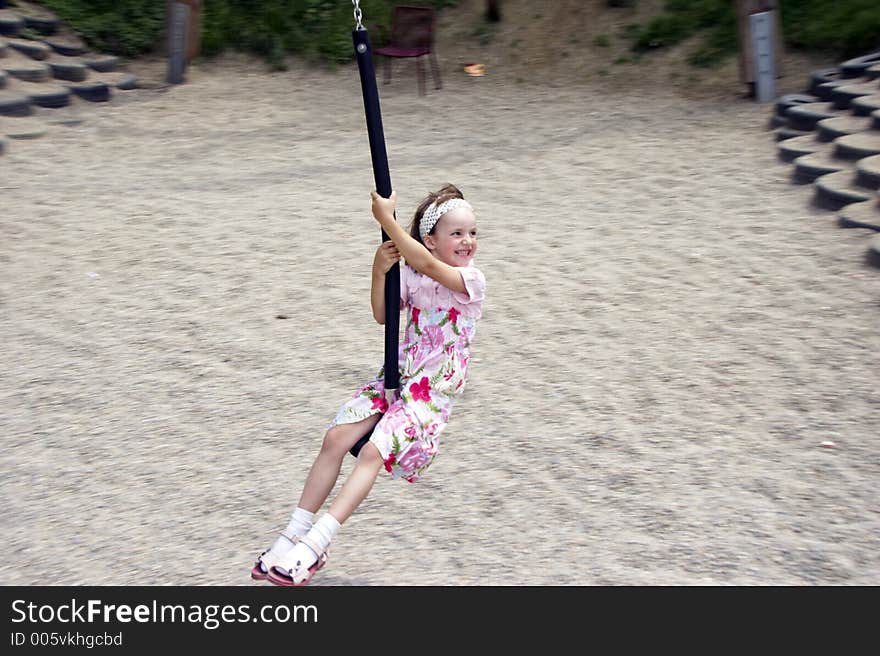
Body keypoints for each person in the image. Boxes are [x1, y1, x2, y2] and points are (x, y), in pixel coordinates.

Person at [251, 184, 485, 586]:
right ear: (430, 240)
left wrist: (386, 221)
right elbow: (382, 314)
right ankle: (292, 535)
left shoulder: (470, 281)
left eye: (472, 233)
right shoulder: (410, 273)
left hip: (429, 394)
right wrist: (379, 268)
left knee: (372, 452)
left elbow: (431, 268)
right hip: (394, 379)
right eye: (457, 234)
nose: (467, 242)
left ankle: (315, 544)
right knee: (335, 438)